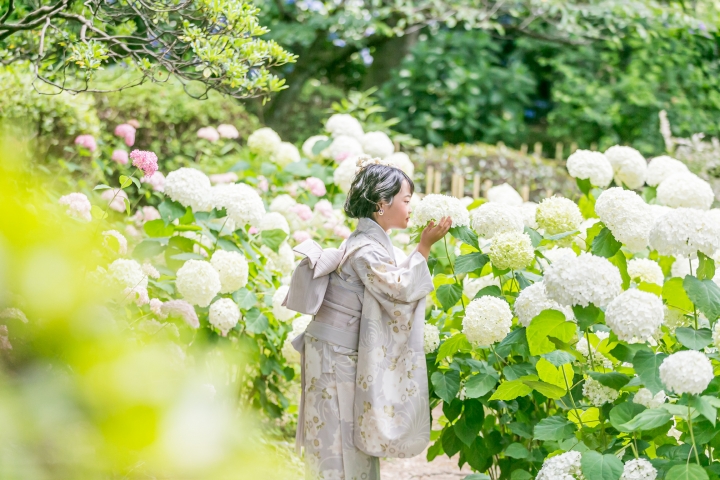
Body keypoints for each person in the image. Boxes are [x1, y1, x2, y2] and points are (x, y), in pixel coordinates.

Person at [285, 160, 452, 479]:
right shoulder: (366, 250)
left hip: (335, 352)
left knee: (346, 438)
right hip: (336, 357)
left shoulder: (365, 243)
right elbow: (401, 290)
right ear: (380, 204)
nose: (409, 209)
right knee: (339, 442)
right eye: (405, 201)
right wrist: (424, 246)